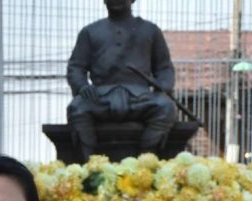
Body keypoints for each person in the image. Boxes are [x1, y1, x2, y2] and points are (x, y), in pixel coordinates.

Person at [67, 0, 177, 159]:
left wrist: (163, 86)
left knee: (165, 107)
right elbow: (76, 67)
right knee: (77, 108)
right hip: (100, 97)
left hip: (140, 97)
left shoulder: (150, 30)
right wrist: (82, 86)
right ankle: (88, 164)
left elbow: (164, 67)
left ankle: (147, 160)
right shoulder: (90, 32)